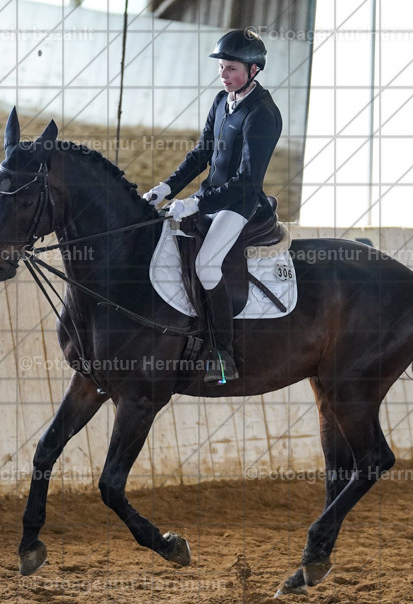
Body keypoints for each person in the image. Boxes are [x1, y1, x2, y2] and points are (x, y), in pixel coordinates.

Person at [143, 28, 282, 384]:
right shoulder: (223, 101)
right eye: (221, 67)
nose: (223, 74)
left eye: (231, 68)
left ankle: (223, 354)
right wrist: (167, 187)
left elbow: (248, 179)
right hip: (210, 197)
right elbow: (202, 153)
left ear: (253, 70)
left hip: (240, 204)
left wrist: (194, 203)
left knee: (207, 265)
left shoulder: (263, 113)